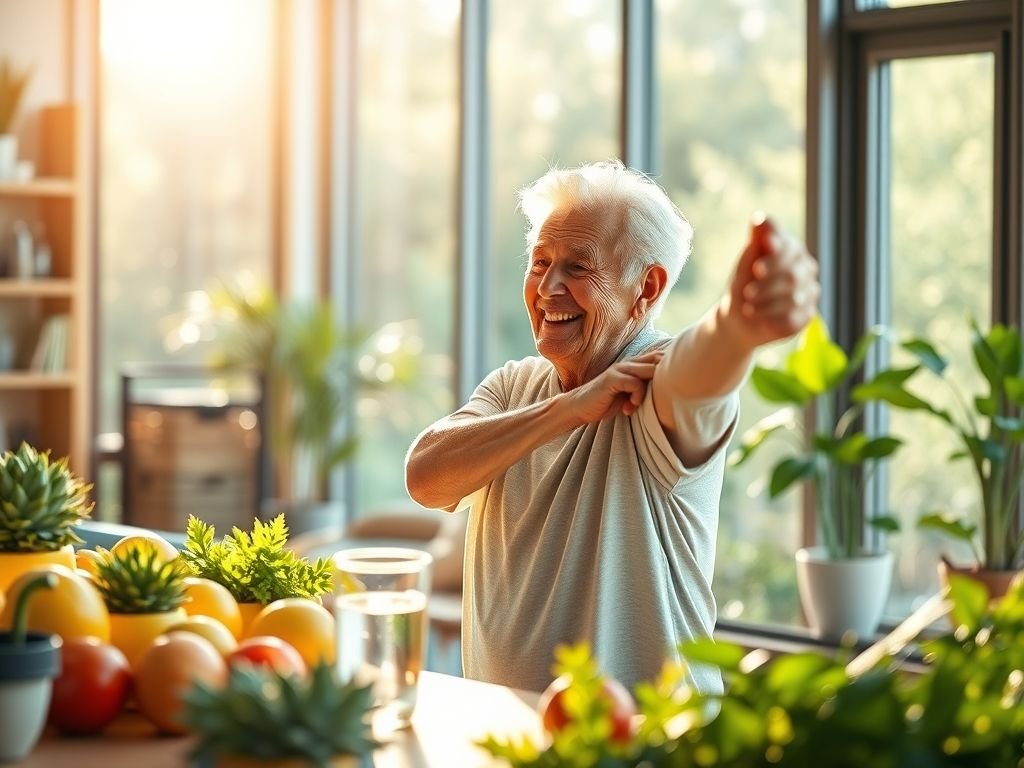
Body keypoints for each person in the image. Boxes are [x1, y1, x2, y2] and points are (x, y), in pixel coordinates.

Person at [405, 160, 819, 695]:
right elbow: (426, 477)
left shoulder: (655, 380)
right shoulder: (512, 387)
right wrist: (570, 407)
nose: (548, 287)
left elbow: (704, 365)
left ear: (645, 288)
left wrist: (738, 324)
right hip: (516, 740)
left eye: (578, 268)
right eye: (539, 262)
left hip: (651, 744)